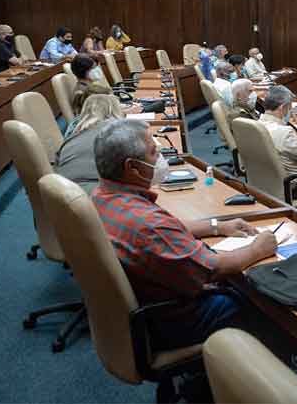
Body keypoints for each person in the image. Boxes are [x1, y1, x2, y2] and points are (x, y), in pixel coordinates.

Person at [91, 118, 277, 350]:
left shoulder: (102, 195)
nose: (160, 157)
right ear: (132, 167)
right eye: (153, 152)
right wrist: (257, 249)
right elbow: (212, 269)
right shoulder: (149, 224)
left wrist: (216, 226)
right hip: (173, 320)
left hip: (138, 310)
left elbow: (168, 227)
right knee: (258, 302)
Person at [56, 94, 125, 194]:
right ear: (115, 110)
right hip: (98, 196)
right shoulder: (118, 131)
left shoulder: (71, 136)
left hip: (63, 195)